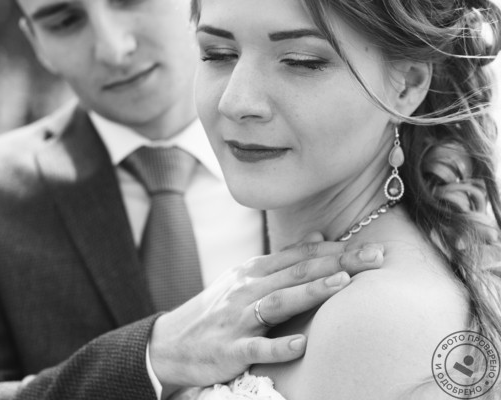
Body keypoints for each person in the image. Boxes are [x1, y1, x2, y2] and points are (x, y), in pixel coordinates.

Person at [0, 1, 386, 399]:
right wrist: (152, 357)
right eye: (65, 20)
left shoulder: (333, 163)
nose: (114, 49)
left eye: (130, 0)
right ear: (36, 43)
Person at [184, 0, 501, 399]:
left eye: (300, 62)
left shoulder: (380, 318)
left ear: (407, 85)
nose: (235, 102)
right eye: (218, 54)